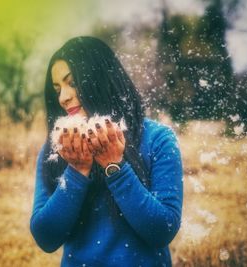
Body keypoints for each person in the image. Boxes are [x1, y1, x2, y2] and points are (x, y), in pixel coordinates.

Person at [30, 36, 183, 267]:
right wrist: (77, 171)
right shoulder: (57, 149)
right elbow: (45, 237)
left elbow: (162, 230)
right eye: (57, 88)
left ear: (100, 79)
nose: (63, 97)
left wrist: (115, 167)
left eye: (72, 83)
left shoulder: (157, 139)